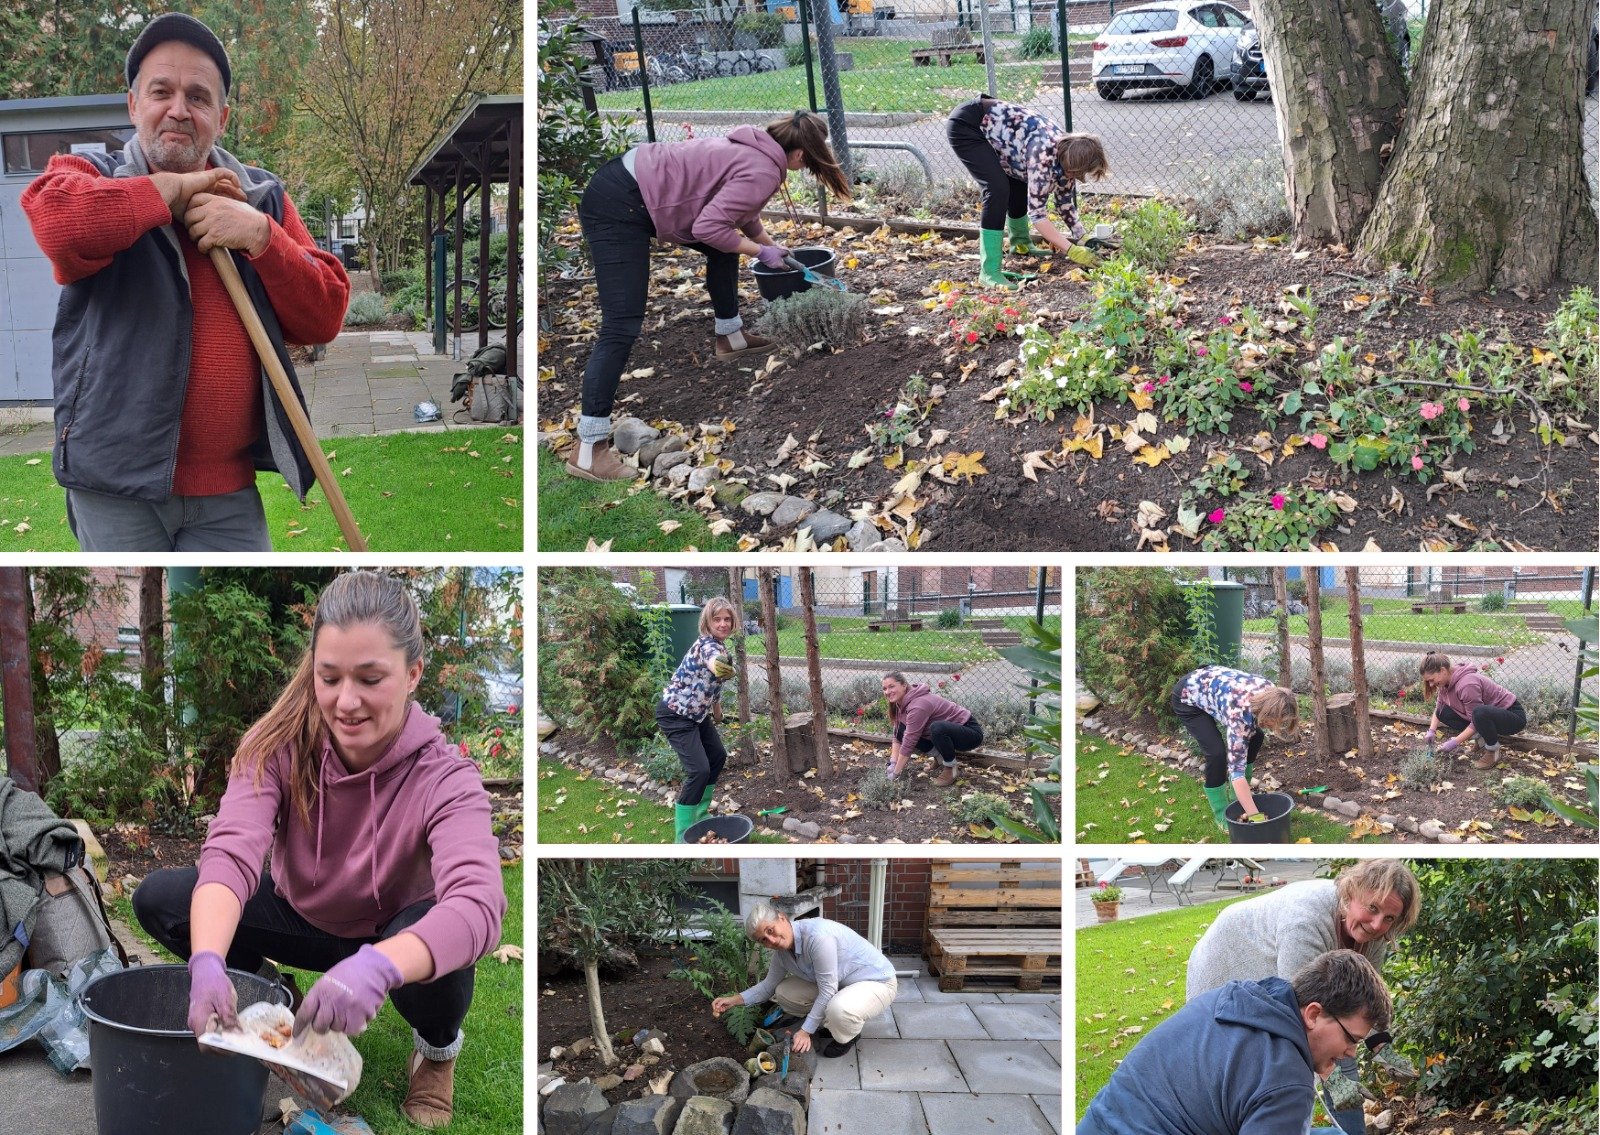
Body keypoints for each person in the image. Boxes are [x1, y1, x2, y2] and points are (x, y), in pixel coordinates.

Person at [131, 572, 507, 1128]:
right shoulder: (278, 746)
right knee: (163, 898)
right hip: (300, 915)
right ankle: (268, 991)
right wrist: (207, 959)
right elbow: (233, 853)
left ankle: (434, 1052)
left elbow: (479, 905)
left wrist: (379, 966)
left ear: (413, 675)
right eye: (329, 678)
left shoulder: (446, 778)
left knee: (446, 936)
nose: (346, 701)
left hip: (388, 938)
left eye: (370, 678)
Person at [20, 13, 349, 552]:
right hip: (115, 492)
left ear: (220, 117)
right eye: (161, 91)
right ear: (132, 106)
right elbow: (58, 226)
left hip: (227, 493)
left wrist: (262, 236)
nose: (179, 109)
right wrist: (170, 190)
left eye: (198, 96)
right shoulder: (89, 177)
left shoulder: (260, 198)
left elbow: (327, 314)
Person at [566, 112, 851, 481]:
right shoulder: (764, 168)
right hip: (620, 203)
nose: (805, 168)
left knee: (722, 249)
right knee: (621, 322)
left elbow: (739, 212)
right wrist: (761, 253)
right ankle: (589, 449)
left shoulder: (755, 148)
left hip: (634, 185)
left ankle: (730, 337)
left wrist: (769, 244)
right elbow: (709, 226)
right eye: (809, 163)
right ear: (799, 155)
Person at [1186, 861, 1421, 1135]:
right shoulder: (1306, 922)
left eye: (1389, 918)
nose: (1377, 924)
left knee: (1338, 1042)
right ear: (1351, 892)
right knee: (1271, 1063)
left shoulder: (1377, 932)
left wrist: (1384, 1049)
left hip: (1280, 965)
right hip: (1229, 958)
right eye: (1372, 908)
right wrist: (1335, 1082)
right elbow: (1300, 1020)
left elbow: (1365, 1004)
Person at [1078, 949, 1393, 1135]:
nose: (1351, 1051)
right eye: (1351, 1040)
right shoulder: (1287, 1082)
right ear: (1312, 1014)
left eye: (1391, 918)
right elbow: (1282, 1083)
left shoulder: (1239, 998)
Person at [945, 95, 1109, 288]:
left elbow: (1064, 201)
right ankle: (989, 271)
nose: (1079, 176)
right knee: (997, 189)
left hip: (999, 133)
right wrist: (1071, 249)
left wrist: (1082, 236)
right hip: (968, 124)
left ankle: (1021, 244)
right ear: (1072, 166)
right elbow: (1038, 215)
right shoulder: (1044, 154)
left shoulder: (1069, 154)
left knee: (1019, 181)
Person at [710, 904, 897, 1059]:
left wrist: (806, 1031)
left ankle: (848, 1035)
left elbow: (827, 991)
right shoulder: (782, 954)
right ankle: (832, 1023)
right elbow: (768, 986)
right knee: (784, 992)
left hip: (877, 982)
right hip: (840, 984)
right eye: (763, 940)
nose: (771, 940)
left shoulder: (817, 937)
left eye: (770, 930)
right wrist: (734, 1000)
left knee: (839, 1009)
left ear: (782, 918)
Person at [1172, 665, 1298, 828]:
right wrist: (1257, 819)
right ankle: (1222, 814)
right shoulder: (1239, 717)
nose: (1276, 726)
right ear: (1266, 712)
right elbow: (1236, 773)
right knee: (1216, 754)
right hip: (1187, 697)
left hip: (1211, 686)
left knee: (1257, 736)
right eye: (1275, 722)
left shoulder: (1274, 694)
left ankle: (1237, 796)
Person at [657, 597, 740, 842]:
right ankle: (682, 835)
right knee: (699, 770)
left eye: (727, 619)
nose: (723, 624)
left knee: (717, 756)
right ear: (707, 621)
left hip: (696, 715)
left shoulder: (722, 647)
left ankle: (701, 816)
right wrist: (721, 667)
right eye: (717, 619)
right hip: (675, 714)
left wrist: (718, 713)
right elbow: (713, 663)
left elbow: (713, 685)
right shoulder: (707, 645)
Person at [1420, 651, 1527, 769]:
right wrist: (1432, 731)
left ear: (1443, 670)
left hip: (1512, 716)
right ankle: (1481, 742)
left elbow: (1476, 718)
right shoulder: (1445, 682)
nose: (1430, 685)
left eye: (1431, 679)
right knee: (1443, 712)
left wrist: (1455, 742)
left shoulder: (1467, 684)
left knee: (1479, 713)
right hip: (1487, 716)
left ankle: (1493, 751)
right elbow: (1439, 707)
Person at [882, 671, 982, 788]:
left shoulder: (918, 705)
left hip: (969, 732)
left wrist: (896, 773)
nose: (887, 692)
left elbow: (910, 741)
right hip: (948, 733)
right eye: (884, 688)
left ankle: (951, 768)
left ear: (904, 685)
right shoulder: (900, 702)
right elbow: (897, 734)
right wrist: (893, 763)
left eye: (891, 686)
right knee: (901, 731)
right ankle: (940, 758)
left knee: (937, 728)